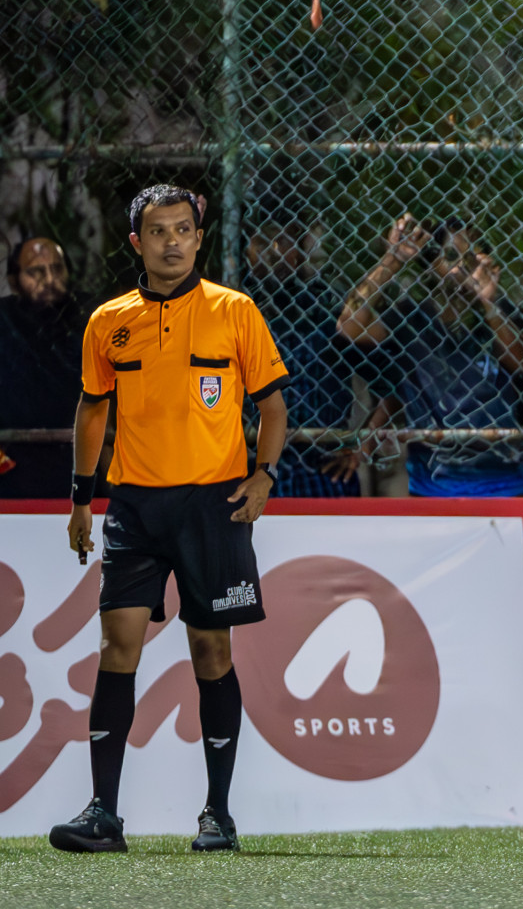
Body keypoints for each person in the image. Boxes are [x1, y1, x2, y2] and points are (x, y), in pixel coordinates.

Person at [52, 184, 289, 854]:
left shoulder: (234, 312)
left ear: (197, 236)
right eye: (159, 232)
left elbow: (272, 406)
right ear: (137, 242)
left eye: (183, 229)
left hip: (213, 505)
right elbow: (93, 410)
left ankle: (217, 813)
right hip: (133, 506)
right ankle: (103, 813)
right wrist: (80, 498)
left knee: (212, 652)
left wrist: (264, 475)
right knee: (116, 647)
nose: (173, 241)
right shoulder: (108, 322)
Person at [337, 215, 523, 497]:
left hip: (504, 479)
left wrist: (489, 303)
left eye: (469, 260)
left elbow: (521, 364)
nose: (459, 269)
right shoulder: (411, 318)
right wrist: (392, 261)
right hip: (433, 482)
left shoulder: (498, 313)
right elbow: (350, 324)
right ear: (433, 264)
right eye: (451, 257)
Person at [245, 217, 377, 497]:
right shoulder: (236, 307)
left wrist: (361, 444)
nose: (273, 250)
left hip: (323, 466)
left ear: (302, 251)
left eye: (284, 241)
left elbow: (391, 384)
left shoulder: (329, 309)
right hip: (254, 463)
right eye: (262, 241)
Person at [0, 237, 89, 498]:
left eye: (57, 268)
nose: (49, 280)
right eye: (36, 272)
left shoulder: (89, 317)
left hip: (78, 464)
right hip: (13, 464)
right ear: (15, 280)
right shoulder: (4, 322)